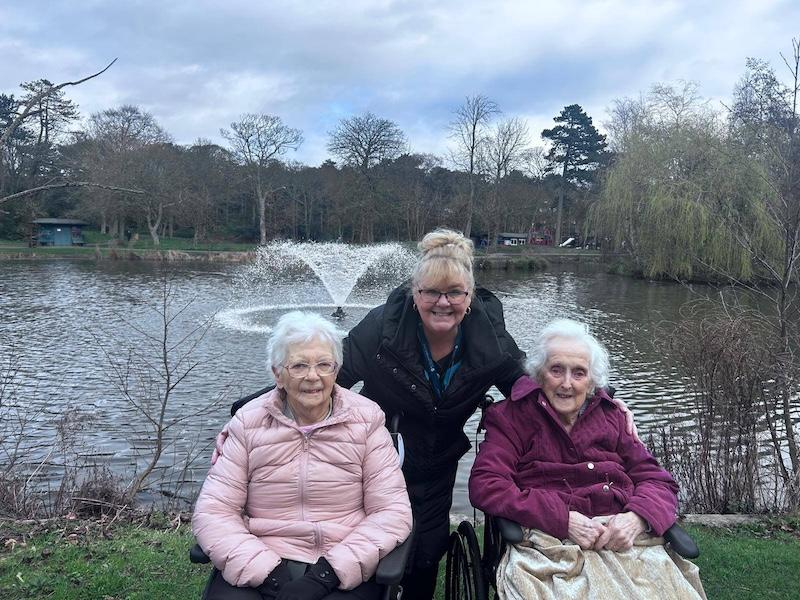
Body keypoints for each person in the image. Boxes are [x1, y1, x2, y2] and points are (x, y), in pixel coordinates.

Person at [213, 229, 636, 600]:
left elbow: (524, 385)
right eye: (431, 292)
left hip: (438, 459)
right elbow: (326, 377)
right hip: (378, 454)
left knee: (426, 553)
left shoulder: (487, 334)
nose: (442, 302)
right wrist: (250, 413)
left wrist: (601, 401)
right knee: (382, 547)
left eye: (454, 293)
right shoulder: (383, 328)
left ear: (469, 298)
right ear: (414, 293)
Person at [469, 318, 706, 599]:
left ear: (592, 381)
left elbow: (657, 481)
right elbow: (487, 484)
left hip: (621, 536)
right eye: (556, 370)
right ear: (539, 374)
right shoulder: (512, 417)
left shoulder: (612, 418)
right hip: (549, 539)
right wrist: (562, 519)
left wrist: (638, 518)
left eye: (579, 373)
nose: (566, 384)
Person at [193, 311, 412, 600]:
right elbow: (215, 512)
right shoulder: (248, 423)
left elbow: (391, 512)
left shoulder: (367, 421)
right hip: (262, 557)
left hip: (341, 562)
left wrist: (326, 576)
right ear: (278, 374)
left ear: (336, 371)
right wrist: (269, 575)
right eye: (299, 365)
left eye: (324, 365)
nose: (313, 376)